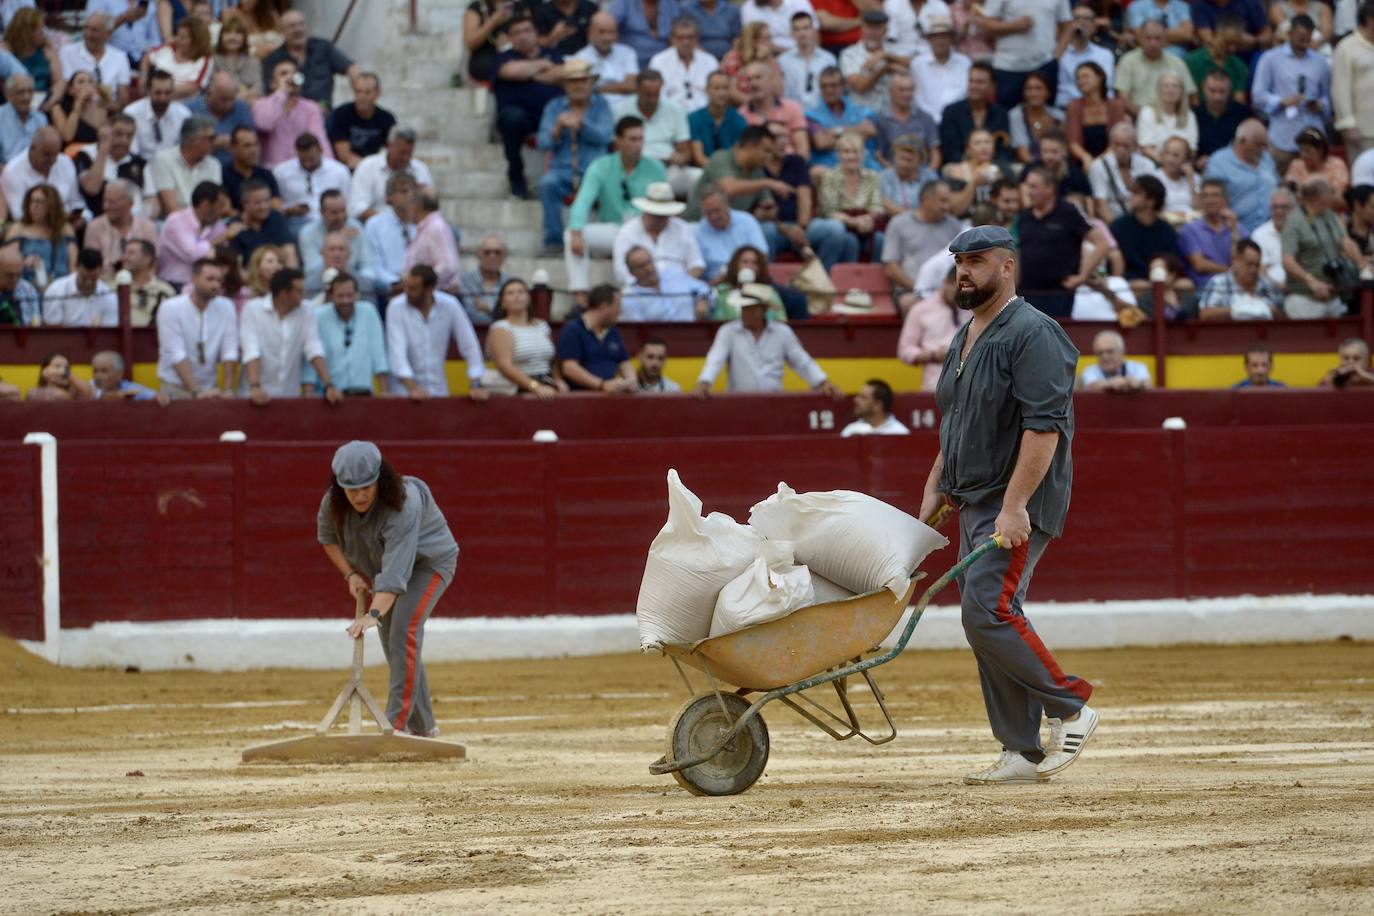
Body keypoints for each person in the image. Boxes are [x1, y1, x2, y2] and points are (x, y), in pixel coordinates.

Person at [916, 224, 1094, 784]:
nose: (964, 271)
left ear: (1007, 265)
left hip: (1012, 501)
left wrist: (1015, 507)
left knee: (986, 611)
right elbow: (956, 423)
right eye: (959, 262)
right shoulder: (964, 334)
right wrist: (935, 487)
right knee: (990, 617)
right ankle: (1021, 750)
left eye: (977, 261)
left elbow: (1044, 429)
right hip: (973, 499)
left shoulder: (1035, 333)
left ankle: (1071, 706)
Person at [319, 441, 460, 738]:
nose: (358, 496)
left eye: (365, 488)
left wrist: (372, 614)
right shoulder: (333, 501)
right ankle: (424, 728)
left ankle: (394, 726)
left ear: (380, 480)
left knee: (401, 634)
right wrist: (350, 574)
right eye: (350, 489)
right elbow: (328, 538)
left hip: (429, 564)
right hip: (386, 573)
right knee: (396, 648)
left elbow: (396, 575)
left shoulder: (403, 503)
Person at [564, 116, 667, 295]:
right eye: (632, 139)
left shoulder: (656, 168)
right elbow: (583, 201)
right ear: (618, 141)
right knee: (570, 234)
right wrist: (576, 231)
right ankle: (580, 294)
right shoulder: (600, 166)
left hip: (645, 231)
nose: (638, 144)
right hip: (614, 229)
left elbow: (664, 205)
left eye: (641, 139)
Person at [536, 60, 613, 253]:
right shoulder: (554, 107)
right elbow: (542, 142)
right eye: (572, 82)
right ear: (565, 85)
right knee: (547, 184)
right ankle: (554, 241)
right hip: (563, 171)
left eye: (582, 80)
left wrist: (582, 125)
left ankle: (610, 241)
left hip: (595, 171)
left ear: (590, 83)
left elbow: (605, 136)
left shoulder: (602, 106)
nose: (578, 86)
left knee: (611, 185)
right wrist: (558, 129)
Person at [695, 292, 840, 394]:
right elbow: (715, 359)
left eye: (750, 308)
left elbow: (802, 361)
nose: (745, 312)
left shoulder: (782, 332)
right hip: (739, 403)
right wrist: (705, 382)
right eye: (743, 308)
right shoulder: (728, 331)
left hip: (773, 401)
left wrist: (822, 382)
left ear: (762, 309)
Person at [238, 267, 341, 404]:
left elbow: (313, 347)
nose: (304, 295)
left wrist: (329, 385)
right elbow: (251, 350)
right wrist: (255, 387)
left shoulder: (306, 310)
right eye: (299, 291)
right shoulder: (252, 309)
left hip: (289, 397)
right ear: (283, 294)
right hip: (252, 397)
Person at [1019, 164, 1109, 317]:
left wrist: (1082, 276)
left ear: (1049, 188)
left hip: (1058, 294)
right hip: (1026, 294)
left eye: (1033, 187)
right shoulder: (1024, 217)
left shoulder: (1068, 212)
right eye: (1028, 186)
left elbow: (1102, 243)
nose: (1029, 192)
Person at [385, 265, 486, 400]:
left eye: (413, 289)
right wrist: (413, 389)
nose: (407, 292)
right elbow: (397, 352)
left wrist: (476, 384)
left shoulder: (450, 304)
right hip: (404, 393)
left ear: (429, 289)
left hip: (439, 391)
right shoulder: (396, 306)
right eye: (406, 287)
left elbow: (469, 345)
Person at [494, 14, 565, 200]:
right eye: (516, 33)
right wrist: (542, 66)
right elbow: (510, 71)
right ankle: (516, 177)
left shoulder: (554, 55)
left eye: (527, 30)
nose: (523, 36)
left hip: (552, 116)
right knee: (512, 119)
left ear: (536, 33)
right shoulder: (503, 57)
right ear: (510, 38)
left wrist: (526, 72)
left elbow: (563, 75)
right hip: (519, 119)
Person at [1282, 177, 1368, 318]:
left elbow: (1346, 242)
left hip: (1333, 295)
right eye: (1330, 193)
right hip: (1304, 298)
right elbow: (1287, 261)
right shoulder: (1294, 222)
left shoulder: (1330, 215)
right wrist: (1311, 281)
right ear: (1318, 197)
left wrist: (1361, 263)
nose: (1333, 197)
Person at [1253, 15, 1330, 171]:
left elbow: (1326, 96)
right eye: (1300, 38)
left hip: (1312, 132)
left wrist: (1320, 105)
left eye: (1307, 39)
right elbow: (1258, 96)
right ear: (1289, 34)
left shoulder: (1320, 62)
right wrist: (1281, 101)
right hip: (1283, 134)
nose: (1304, 43)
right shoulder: (1270, 59)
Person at [155, 257, 238, 398]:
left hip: (210, 389)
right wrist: (197, 392)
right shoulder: (170, 307)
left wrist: (228, 390)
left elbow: (230, 351)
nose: (216, 285)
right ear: (194, 279)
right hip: (175, 389)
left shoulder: (227, 307)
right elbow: (176, 354)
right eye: (210, 279)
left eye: (219, 280)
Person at [306, 271, 389, 397]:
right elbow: (312, 356)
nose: (346, 301)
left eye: (350, 296)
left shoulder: (369, 312)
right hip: (329, 396)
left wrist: (384, 392)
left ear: (357, 295)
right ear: (331, 296)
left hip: (363, 395)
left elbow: (379, 356)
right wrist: (309, 394)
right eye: (340, 296)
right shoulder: (318, 316)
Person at [975, 0, 1069, 110]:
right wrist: (1014, 26)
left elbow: (1068, 25)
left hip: (1044, 65)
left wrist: (1056, 57)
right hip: (1008, 68)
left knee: (1046, 116)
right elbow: (984, 24)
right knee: (1007, 117)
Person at [614, 69, 696, 196]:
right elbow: (615, 149)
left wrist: (681, 158)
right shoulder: (620, 110)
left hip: (667, 169)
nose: (652, 99)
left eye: (656, 94)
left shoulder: (675, 109)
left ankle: (690, 215)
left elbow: (685, 151)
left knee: (699, 178)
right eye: (648, 94)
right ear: (637, 90)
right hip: (632, 169)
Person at [883, 179, 962, 309]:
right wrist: (920, 289)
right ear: (925, 200)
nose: (947, 207)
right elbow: (891, 268)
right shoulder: (899, 223)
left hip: (949, 291)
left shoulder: (954, 225)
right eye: (942, 201)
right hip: (910, 291)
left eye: (948, 201)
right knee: (914, 303)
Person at [260, 9, 359, 109]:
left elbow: (351, 68)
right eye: (292, 26)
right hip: (290, 114)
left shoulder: (323, 47)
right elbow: (269, 91)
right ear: (282, 32)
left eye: (301, 24)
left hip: (323, 111)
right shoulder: (274, 59)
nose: (298, 29)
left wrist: (360, 93)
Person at [483, 278, 565, 397]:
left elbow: (552, 359)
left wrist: (558, 380)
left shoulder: (542, 325)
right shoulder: (500, 328)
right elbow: (505, 366)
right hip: (517, 388)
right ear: (502, 301)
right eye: (510, 293)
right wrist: (534, 386)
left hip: (547, 383)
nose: (516, 296)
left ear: (528, 297)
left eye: (521, 292)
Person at [612, 182, 704, 286]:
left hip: (680, 290)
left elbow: (696, 264)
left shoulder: (683, 228)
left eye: (665, 215)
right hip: (641, 291)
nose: (661, 219)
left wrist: (683, 286)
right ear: (646, 211)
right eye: (656, 215)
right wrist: (644, 287)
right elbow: (621, 271)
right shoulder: (627, 233)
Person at [1203, 119, 1280, 234]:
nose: (1263, 149)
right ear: (1242, 142)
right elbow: (1211, 197)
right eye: (1258, 144)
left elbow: (1277, 186)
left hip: (1271, 229)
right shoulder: (1219, 161)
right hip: (1236, 228)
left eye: (1265, 145)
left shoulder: (1267, 159)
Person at [557, 283, 638, 391]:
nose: (620, 312)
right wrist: (601, 384)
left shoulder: (613, 331)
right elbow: (569, 367)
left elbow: (624, 362)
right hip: (582, 399)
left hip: (611, 398)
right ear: (603, 306)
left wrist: (631, 380)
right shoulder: (573, 330)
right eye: (617, 306)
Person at [252, 59, 332, 169]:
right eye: (283, 74)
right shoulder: (260, 104)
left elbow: (319, 139)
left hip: (300, 169)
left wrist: (330, 167)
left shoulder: (311, 108)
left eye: (294, 73)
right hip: (272, 170)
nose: (290, 78)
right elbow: (265, 124)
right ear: (272, 83)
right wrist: (281, 93)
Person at [897, 266, 967, 389]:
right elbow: (904, 350)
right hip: (935, 384)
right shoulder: (920, 310)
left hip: (970, 385)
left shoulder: (974, 309)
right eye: (956, 292)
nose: (959, 298)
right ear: (946, 282)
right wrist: (932, 355)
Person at [1111, 174, 1179, 296]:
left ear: (1151, 201)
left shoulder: (1167, 230)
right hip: (1131, 281)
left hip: (1160, 278)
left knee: (1186, 284)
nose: (1130, 197)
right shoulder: (1119, 226)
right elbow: (1114, 266)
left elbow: (1173, 260)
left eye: (1136, 194)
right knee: (1141, 286)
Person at [348, 127, 434, 222]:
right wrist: (388, 225)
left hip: (414, 225)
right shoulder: (368, 166)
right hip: (373, 227)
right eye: (402, 152)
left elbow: (429, 205)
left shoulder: (420, 169)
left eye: (409, 153)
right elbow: (357, 206)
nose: (405, 157)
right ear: (389, 146)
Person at [1114, 19, 1196, 118]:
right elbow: (1122, 96)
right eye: (1148, 38)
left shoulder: (1177, 63)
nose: (1153, 43)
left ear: (1165, 40)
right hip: (1137, 116)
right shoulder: (1128, 61)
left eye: (1158, 38)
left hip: (1171, 116)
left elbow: (1190, 95)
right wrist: (1144, 117)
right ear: (1140, 39)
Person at [807, 66, 879, 172]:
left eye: (833, 85)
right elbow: (822, 142)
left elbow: (870, 130)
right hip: (831, 168)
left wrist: (836, 131)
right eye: (824, 86)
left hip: (865, 167)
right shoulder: (812, 115)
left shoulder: (860, 110)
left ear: (843, 86)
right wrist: (857, 132)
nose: (829, 90)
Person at [1, 126, 81, 223]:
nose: (52, 161)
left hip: (68, 226)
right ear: (33, 148)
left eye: (55, 155)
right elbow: (19, 216)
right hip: (33, 231)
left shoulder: (65, 162)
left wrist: (82, 219)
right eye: (47, 155)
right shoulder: (13, 172)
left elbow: (77, 203)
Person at [4, 184, 76, 291]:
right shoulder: (19, 228)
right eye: (31, 201)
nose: (33, 206)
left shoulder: (65, 229)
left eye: (39, 202)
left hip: (60, 286)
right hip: (29, 286)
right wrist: (25, 262)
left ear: (51, 205)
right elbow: (8, 260)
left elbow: (73, 264)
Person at [693, 183, 770, 282]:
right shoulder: (697, 232)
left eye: (717, 210)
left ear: (727, 205)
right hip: (718, 286)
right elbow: (697, 268)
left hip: (752, 279)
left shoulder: (746, 221)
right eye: (708, 212)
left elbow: (761, 255)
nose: (713, 216)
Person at [938, 62, 1011, 165]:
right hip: (959, 168)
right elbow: (949, 151)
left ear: (992, 86)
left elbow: (1003, 150)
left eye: (980, 82)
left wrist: (988, 167)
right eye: (971, 81)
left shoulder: (1001, 114)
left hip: (992, 168)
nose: (974, 86)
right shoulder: (951, 112)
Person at [157, 180, 228, 287]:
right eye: (220, 206)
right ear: (205, 205)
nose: (224, 211)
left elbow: (222, 254)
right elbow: (192, 254)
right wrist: (217, 241)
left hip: (206, 284)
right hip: (174, 283)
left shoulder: (218, 224)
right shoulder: (176, 220)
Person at [273, 133, 351, 227]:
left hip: (332, 220)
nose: (308, 164)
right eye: (303, 159)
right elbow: (276, 205)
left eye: (311, 159)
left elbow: (348, 202)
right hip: (295, 221)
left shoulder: (339, 171)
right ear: (297, 153)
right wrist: (290, 210)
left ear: (321, 151)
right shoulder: (281, 172)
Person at [1088, 122, 1160, 223]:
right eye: (1117, 145)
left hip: (1143, 221)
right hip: (1113, 222)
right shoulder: (1098, 166)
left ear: (1135, 146)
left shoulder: (1147, 165)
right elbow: (1101, 206)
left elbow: (1154, 200)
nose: (1121, 150)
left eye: (1126, 146)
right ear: (1110, 145)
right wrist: (1119, 231)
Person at [837, 10, 905, 116]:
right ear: (862, 29)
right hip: (861, 115)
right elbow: (860, 86)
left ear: (885, 31)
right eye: (869, 27)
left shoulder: (893, 50)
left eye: (877, 28)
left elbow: (911, 64)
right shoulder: (849, 54)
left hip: (891, 116)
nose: (873, 32)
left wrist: (884, 55)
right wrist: (884, 68)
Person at [83, 179, 156, 277]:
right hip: (106, 285)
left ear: (130, 204)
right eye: (105, 201)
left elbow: (153, 264)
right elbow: (91, 265)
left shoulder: (147, 227)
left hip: (141, 285)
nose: (106, 206)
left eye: (112, 202)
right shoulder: (94, 227)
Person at [1199, 238, 1284, 320]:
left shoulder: (1267, 284)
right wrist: (1237, 310)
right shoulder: (1219, 283)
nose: (1253, 270)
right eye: (1249, 264)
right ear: (1235, 261)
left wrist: (1266, 310)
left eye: (1256, 265)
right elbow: (1205, 315)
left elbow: (1282, 316)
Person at [151, 116, 221, 214]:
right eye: (210, 138)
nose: (215, 142)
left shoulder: (214, 164)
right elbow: (170, 208)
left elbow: (213, 203)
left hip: (206, 220)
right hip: (176, 221)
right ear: (192, 140)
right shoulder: (164, 160)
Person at [739, 60, 810, 157]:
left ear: (771, 80)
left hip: (790, 165)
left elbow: (802, 148)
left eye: (758, 77)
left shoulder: (792, 107)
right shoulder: (741, 114)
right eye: (749, 80)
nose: (753, 83)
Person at [60, 12, 131, 107]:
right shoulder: (67, 52)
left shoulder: (120, 57)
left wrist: (107, 106)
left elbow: (123, 97)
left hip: (109, 111)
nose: (88, 34)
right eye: (86, 28)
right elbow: (64, 88)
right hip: (76, 109)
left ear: (108, 34)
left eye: (94, 30)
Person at [623, 244, 713, 319]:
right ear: (632, 272)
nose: (649, 269)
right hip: (659, 338)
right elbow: (638, 331)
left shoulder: (674, 274)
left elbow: (704, 288)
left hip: (695, 332)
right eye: (641, 266)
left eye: (649, 262)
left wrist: (703, 300)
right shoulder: (630, 297)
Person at [328, 72, 396, 170]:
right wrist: (369, 169)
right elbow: (344, 155)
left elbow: (393, 150)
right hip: (344, 169)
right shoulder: (341, 114)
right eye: (358, 92)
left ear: (377, 93)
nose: (362, 97)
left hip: (372, 168)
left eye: (367, 92)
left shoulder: (387, 118)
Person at [1064, 60, 1125, 169]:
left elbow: (1118, 140)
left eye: (1085, 76)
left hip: (1111, 160)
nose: (1081, 81)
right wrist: (1086, 158)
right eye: (1078, 78)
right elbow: (1073, 142)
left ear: (1099, 77)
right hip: (1083, 162)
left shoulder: (1115, 106)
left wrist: (1099, 163)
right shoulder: (1074, 106)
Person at [571, 12, 640, 108]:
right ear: (590, 33)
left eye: (611, 32)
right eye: (602, 32)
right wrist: (620, 86)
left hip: (627, 108)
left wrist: (597, 89)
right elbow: (582, 91)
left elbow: (632, 86)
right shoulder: (579, 59)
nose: (607, 37)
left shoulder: (627, 53)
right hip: (595, 109)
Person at [365, 171, 418, 296]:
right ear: (389, 197)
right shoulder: (375, 225)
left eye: (413, 191)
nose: (410, 196)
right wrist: (397, 282)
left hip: (422, 285)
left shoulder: (424, 224)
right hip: (390, 287)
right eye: (404, 191)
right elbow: (373, 265)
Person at [1332, 3, 1374, 159]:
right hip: (1362, 131)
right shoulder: (1346, 48)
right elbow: (1339, 90)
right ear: (1370, 20)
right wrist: (1348, 124)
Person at [648, 15, 718, 109]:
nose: (686, 42)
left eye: (690, 37)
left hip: (704, 116)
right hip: (671, 115)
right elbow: (657, 96)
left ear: (697, 38)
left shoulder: (710, 61)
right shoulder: (658, 61)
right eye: (681, 38)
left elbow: (717, 94)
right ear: (672, 39)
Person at [910, 14, 969, 124]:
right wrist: (933, 118)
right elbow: (917, 98)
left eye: (944, 36)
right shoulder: (918, 64)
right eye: (935, 36)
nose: (940, 40)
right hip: (926, 121)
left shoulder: (965, 63)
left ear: (951, 39)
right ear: (929, 40)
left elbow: (965, 94)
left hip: (958, 119)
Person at [1179, 179, 1239, 286]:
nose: (1210, 200)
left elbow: (1241, 261)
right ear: (1201, 201)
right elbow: (1200, 265)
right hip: (1206, 288)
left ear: (1225, 200)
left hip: (1236, 287)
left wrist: (1234, 232)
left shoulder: (1237, 227)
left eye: (1215, 195)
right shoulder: (1190, 229)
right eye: (1205, 196)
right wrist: (1233, 271)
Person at [227, 178, 296, 268]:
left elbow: (289, 253)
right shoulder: (234, 227)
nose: (263, 207)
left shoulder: (276, 218)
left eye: (267, 201)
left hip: (279, 276)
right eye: (258, 203)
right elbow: (238, 267)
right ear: (244, 204)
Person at [122, 69, 190, 161]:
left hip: (171, 166)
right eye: (158, 93)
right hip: (139, 164)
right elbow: (131, 150)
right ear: (148, 91)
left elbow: (184, 149)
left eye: (168, 93)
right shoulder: (131, 113)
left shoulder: (184, 115)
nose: (163, 98)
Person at [1183, 12, 1248, 106]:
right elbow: (1192, 100)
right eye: (1228, 43)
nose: (1232, 49)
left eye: (1237, 44)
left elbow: (1239, 102)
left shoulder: (1239, 66)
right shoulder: (1192, 62)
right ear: (1215, 35)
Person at [1055, 5, 1114, 109]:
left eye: (1087, 19)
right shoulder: (1058, 53)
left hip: (1100, 108)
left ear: (1094, 27)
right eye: (1076, 18)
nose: (1082, 22)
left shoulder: (1105, 54)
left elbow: (1105, 85)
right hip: (1066, 109)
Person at [40, 248, 116, 326]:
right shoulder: (55, 291)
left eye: (93, 279)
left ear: (101, 270)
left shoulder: (109, 296)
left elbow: (109, 334)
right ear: (76, 266)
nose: (88, 283)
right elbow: (52, 332)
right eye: (84, 278)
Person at [142, 16, 213, 100]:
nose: (177, 39)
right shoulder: (169, 48)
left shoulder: (205, 59)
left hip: (184, 104)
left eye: (183, 37)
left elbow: (194, 87)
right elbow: (147, 57)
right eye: (177, 35)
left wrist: (160, 90)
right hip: (153, 98)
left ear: (196, 40)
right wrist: (143, 77)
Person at [404, 193, 461, 293]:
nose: (407, 210)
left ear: (418, 206)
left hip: (438, 296)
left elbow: (448, 266)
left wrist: (421, 284)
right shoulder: (426, 228)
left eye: (409, 204)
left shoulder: (436, 228)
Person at [1, 7, 62, 101]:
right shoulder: (5, 50)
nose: (44, 32)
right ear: (27, 32)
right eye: (40, 29)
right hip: (14, 103)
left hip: (44, 101)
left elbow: (59, 82)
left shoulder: (47, 49)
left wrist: (50, 102)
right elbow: (4, 85)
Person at [711, 245, 787, 319]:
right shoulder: (720, 292)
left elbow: (780, 320)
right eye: (744, 262)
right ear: (735, 265)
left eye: (754, 263)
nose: (749, 266)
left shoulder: (770, 293)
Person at [689, 70, 746, 167]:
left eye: (725, 88)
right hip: (703, 171)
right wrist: (717, 172)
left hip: (732, 171)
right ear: (707, 90)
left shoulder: (738, 120)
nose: (721, 93)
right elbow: (698, 157)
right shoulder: (694, 118)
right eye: (717, 88)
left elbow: (740, 154)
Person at [779, 12, 835, 110]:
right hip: (793, 116)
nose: (802, 33)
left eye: (806, 28)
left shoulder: (828, 59)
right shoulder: (782, 62)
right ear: (791, 33)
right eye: (797, 29)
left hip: (823, 116)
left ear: (813, 30)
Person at [1136, 73, 1197, 161]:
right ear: (1159, 90)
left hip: (1181, 165)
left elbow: (1192, 150)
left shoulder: (1189, 115)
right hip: (1153, 162)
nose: (1170, 90)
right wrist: (1167, 165)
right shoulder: (1147, 112)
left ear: (1182, 92)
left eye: (1175, 86)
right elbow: (1146, 148)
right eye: (1166, 86)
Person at [1193, 70, 1249, 167]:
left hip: (1234, 166)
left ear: (1230, 90)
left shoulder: (1244, 114)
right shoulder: (1193, 114)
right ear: (1203, 89)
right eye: (1212, 91)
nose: (1217, 96)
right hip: (1200, 169)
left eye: (1222, 91)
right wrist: (1196, 161)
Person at [1007, 71, 1064, 165]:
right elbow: (1023, 154)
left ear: (1048, 92)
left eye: (1039, 88)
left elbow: (1063, 150)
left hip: (1056, 166)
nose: (1033, 93)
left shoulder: (1059, 117)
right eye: (1029, 89)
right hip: (1029, 167)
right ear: (1024, 93)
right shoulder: (1016, 115)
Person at [219, 125, 278, 214]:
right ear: (232, 148)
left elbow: (277, 206)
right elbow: (225, 210)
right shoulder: (222, 175)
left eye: (256, 144)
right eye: (247, 146)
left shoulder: (266, 175)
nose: (253, 150)